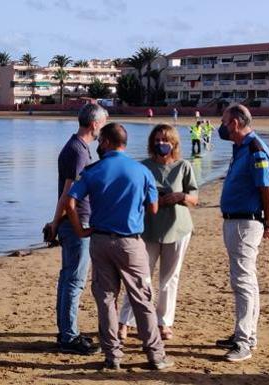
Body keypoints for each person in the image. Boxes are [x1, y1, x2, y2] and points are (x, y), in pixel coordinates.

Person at [65, 123, 174, 370]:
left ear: (104, 141)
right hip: (130, 242)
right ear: (124, 143)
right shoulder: (141, 170)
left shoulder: (94, 170)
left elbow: (71, 202)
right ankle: (155, 355)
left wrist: (80, 230)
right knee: (141, 298)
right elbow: (154, 208)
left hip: (101, 240)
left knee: (105, 300)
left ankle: (112, 356)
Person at [118, 124, 199, 342]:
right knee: (139, 277)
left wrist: (180, 197)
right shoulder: (143, 167)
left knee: (169, 279)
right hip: (148, 229)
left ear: (174, 144)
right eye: (157, 140)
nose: (161, 144)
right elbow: (132, 197)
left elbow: (194, 198)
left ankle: (164, 322)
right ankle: (124, 321)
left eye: (165, 140)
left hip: (178, 228)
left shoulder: (183, 166)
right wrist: (154, 201)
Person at [44, 103, 108, 355]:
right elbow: (68, 192)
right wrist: (56, 222)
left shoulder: (77, 148)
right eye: (103, 123)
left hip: (73, 221)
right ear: (94, 125)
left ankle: (66, 332)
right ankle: (68, 336)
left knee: (68, 278)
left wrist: (56, 222)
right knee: (74, 281)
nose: (103, 129)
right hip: (77, 222)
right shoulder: (78, 151)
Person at [215, 104, 269, 362]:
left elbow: (268, 192)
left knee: (243, 282)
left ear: (236, 123)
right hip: (235, 221)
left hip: (245, 223)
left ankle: (244, 342)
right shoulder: (241, 148)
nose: (222, 126)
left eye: (225, 121)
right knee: (245, 281)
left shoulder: (255, 149)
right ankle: (244, 332)